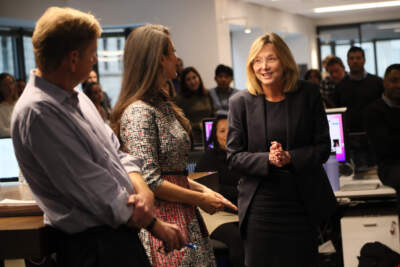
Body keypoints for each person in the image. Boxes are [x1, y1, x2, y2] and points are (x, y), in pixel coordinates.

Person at [10, 7, 185, 267]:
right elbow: (96, 192)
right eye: (92, 53)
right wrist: (154, 224)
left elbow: (115, 152)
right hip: (92, 247)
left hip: (117, 237)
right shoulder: (38, 113)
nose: (94, 60)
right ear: (72, 59)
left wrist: (142, 189)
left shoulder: (76, 96)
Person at [110, 24, 236, 267]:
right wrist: (199, 199)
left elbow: (173, 173)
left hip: (184, 215)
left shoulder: (161, 104)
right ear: (159, 59)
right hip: (164, 221)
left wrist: (203, 192)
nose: (178, 60)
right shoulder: (139, 112)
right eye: (173, 52)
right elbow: (150, 180)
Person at [226, 32, 337, 267]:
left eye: (270, 59)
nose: (263, 67)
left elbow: (323, 147)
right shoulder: (240, 102)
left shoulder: (308, 94)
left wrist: (290, 157)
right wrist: (267, 159)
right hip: (260, 207)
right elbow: (234, 157)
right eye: (257, 60)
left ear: (285, 61)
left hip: (301, 202)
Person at [195, 114, 244, 267]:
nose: (228, 134)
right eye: (222, 131)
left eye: (231, 130)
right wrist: (242, 191)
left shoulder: (244, 155)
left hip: (240, 209)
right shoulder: (208, 158)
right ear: (215, 136)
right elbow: (211, 190)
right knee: (237, 237)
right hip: (215, 212)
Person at [334, 46, 384, 169]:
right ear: (347, 61)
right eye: (352, 58)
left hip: (375, 137)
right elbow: (337, 115)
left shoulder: (377, 82)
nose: (355, 61)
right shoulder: (340, 86)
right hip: (350, 140)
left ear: (364, 60)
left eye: (358, 58)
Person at [365, 64, 400, 213]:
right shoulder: (374, 111)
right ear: (384, 82)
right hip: (389, 166)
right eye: (394, 80)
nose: (398, 85)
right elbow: (385, 148)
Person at [176, 66, 214, 145]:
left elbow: (213, 113)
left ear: (199, 78)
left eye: (194, 77)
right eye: (188, 79)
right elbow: (179, 122)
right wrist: (198, 126)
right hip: (191, 137)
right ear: (184, 83)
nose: (193, 82)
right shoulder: (179, 99)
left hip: (209, 134)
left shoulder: (207, 94)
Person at [0, 73, 18, 137]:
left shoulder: (20, 103)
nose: (9, 87)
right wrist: (20, 131)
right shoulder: (1, 108)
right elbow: (2, 132)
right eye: (5, 85)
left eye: (11, 83)